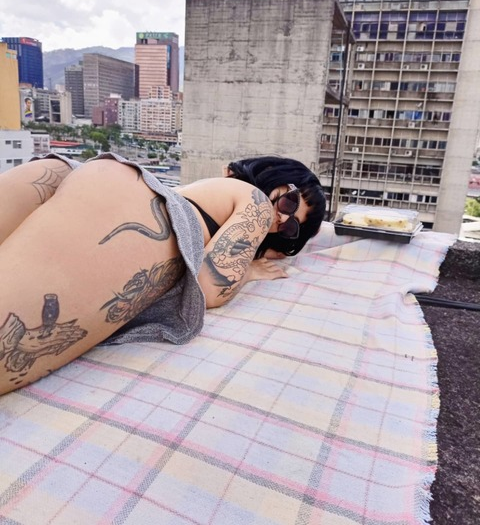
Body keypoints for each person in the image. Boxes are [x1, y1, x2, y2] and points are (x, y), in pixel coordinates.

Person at [0, 153, 326, 395]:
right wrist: (248, 271)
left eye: (292, 227)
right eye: (289, 202)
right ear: (272, 176)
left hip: (78, 173)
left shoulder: (208, 190)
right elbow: (211, 286)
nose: (282, 220)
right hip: (137, 210)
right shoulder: (255, 201)